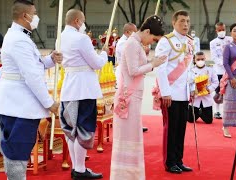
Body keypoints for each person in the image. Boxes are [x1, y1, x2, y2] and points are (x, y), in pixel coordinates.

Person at [0, 0, 62, 179]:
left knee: (18, 158)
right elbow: (31, 76)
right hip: (17, 106)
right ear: (25, 16)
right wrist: (49, 103)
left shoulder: (21, 36)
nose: (36, 17)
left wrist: (51, 59)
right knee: (16, 159)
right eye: (34, 13)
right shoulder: (18, 40)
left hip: (17, 105)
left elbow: (34, 65)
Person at [110, 15, 166, 180]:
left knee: (132, 135)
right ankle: (124, 174)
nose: (152, 42)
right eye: (153, 39)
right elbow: (134, 71)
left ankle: (131, 173)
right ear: (147, 31)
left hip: (133, 96)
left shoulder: (136, 44)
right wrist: (152, 64)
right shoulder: (132, 44)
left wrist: (151, 61)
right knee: (128, 136)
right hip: (129, 97)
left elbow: (135, 67)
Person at [59, 9, 108, 179]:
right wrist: (104, 54)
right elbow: (96, 63)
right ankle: (79, 170)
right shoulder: (81, 38)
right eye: (83, 21)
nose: (84, 25)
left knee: (71, 130)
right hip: (83, 89)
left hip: (69, 87)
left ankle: (77, 167)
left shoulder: (61, 37)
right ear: (77, 21)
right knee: (83, 129)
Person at [155, 10, 194, 174]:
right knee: (170, 129)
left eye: (187, 21)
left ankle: (179, 159)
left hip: (184, 93)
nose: (185, 24)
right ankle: (170, 161)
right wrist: (165, 92)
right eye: (182, 21)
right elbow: (160, 68)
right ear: (174, 23)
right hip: (170, 93)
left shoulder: (190, 42)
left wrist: (192, 88)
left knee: (181, 129)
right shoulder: (166, 41)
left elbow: (190, 68)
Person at [210, 22, 233, 119]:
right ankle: (217, 111)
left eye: (223, 29)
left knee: (229, 91)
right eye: (219, 30)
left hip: (230, 70)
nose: (221, 31)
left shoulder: (230, 40)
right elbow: (214, 57)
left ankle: (227, 110)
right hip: (219, 70)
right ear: (216, 31)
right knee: (218, 91)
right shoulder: (213, 42)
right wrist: (223, 63)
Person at [188, 51, 219, 124]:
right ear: (194, 60)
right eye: (198, 59)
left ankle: (201, 112)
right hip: (195, 98)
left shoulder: (210, 70)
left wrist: (209, 89)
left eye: (202, 59)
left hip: (206, 97)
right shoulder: (191, 70)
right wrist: (191, 90)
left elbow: (216, 82)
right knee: (190, 120)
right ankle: (197, 112)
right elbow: (188, 83)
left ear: (205, 59)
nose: (200, 61)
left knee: (208, 121)